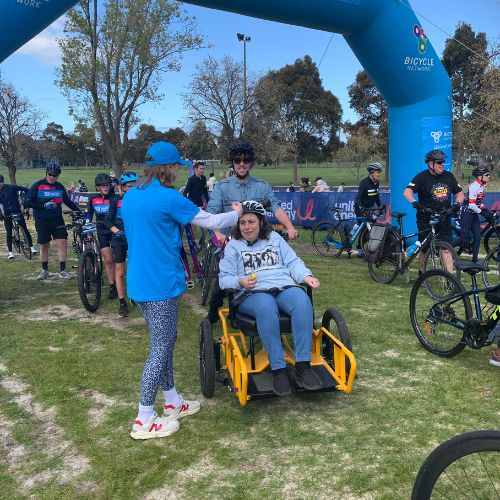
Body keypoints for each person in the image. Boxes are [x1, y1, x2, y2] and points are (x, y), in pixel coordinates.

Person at [121, 141, 243, 440]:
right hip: (160, 283)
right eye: (176, 166)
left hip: (139, 281)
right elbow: (211, 221)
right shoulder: (168, 198)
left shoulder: (131, 196)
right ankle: (144, 417)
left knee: (164, 340)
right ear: (167, 168)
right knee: (161, 347)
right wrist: (237, 214)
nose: (178, 171)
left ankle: (172, 399)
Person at [219, 200, 321, 396]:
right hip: (253, 292)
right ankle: (278, 369)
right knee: (266, 307)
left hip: (282, 284)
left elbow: (292, 261)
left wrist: (306, 276)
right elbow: (224, 279)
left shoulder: (274, 238)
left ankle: (303, 365)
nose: (247, 227)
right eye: (242, 223)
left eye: (251, 222)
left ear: (261, 222)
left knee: (302, 300)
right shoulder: (233, 246)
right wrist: (240, 282)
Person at [204, 139, 298, 325]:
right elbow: (211, 214)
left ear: (251, 163)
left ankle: (267, 307)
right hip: (229, 240)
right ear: (232, 162)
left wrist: (290, 227)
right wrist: (219, 234)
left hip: (257, 240)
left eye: (245, 160)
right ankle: (213, 313)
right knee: (224, 277)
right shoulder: (222, 187)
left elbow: (276, 207)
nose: (241, 164)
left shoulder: (262, 186)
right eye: (237, 160)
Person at [403, 149, 464, 273]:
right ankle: (422, 274)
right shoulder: (422, 177)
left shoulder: (448, 176)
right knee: (425, 249)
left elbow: (460, 193)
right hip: (426, 219)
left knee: (446, 250)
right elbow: (407, 191)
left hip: (444, 218)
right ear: (431, 164)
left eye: (443, 162)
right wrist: (415, 203)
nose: (443, 164)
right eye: (439, 162)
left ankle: (449, 281)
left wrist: (457, 204)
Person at [25, 161, 81, 279]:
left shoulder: (59, 186)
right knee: (44, 245)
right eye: (50, 174)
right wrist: (43, 206)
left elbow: (67, 201)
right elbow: (27, 202)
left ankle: (62, 270)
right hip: (42, 220)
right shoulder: (37, 185)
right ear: (46, 173)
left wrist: (78, 211)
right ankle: (44, 270)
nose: (52, 177)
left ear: (58, 175)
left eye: (55, 175)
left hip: (57, 220)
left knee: (62, 243)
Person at [103, 171, 138, 317]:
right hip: (119, 239)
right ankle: (122, 302)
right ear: (123, 187)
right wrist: (116, 231)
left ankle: (136, 296)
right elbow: (106, 220)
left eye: (135, 186)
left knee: (136, 269)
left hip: (135, 238)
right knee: (120, 271)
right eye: (129, 186)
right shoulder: (115, 201)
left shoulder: (140, 200)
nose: (133, 189)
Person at [86, 173, 118, 299]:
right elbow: (89, 214)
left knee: (116, 258)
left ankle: (117, 281)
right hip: (101, 231)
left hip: (114, 230)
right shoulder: (93, 199)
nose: (105, 187)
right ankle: (112, 285)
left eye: (107, 185)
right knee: (108, 259)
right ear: (97, 187)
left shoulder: (115, 198)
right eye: (102, 185)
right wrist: (87, 225)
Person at [457, 166, 493, 262]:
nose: (489, 176)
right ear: (479, 176)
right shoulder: (474, 186)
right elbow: (472, 205)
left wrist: (486, 210)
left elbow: (478, 203)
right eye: (487, 175)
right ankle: (445, 251)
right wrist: (483, 213)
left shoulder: (482, 186)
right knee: (462, 240)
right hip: (467, 214)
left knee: (477, 237)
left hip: (473, 215)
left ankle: (475, 261)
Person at [0, 174, 37, 259]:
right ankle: (10, 253)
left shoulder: (11, 187)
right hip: (7, 213)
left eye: (0, 182)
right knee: (9, 232)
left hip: (17, 210)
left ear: (3, 182)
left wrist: (26, 202)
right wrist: (0, 214)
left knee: (24, 229)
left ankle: (31, 247)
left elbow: (26, 190)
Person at [354, 163, 384, 257]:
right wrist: (362, 210)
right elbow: (358, 199)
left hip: (369, 208)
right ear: (371, 172)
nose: (379, 174)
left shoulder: (376, 183)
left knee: (372, 229)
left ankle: (359, 242)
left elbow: (376, 196)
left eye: (379, 172)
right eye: (377, 172)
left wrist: (380, 207)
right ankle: (359, 249)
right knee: (364, 229)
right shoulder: (364, 183)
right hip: (360, 207)